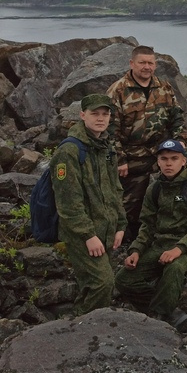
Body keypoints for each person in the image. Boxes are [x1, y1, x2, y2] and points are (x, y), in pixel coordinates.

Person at [115, 140, 187, 327]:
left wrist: (179, 249)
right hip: (162, 243)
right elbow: (147, 225)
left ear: (183, 161)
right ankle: (169, 311)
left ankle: (160, 318)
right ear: (158, 162)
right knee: (124, 279)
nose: (169, 163)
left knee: (174, 269)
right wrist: (136, 250)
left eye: (174, 158)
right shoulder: (155, 188)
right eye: (164, 159)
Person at [51, 93, 127, 316]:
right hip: (82, 232)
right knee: (102, 283)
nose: (101, 118)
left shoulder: (106, 147)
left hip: (106, 228)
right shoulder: (69, 151)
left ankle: (87, 321)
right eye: (95, 114)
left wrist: (120, 225)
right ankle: (82, 326)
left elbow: (115, 190)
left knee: (100, 282)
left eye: (105, 114)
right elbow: (67, 203)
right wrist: (87, 235)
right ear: (83, 115)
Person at [107, 45, 186, 238]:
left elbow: (177, 117)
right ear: (132, 63)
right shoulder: (118, 90)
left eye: (150, 63)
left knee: (169, 194)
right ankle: (127, 238)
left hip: (160, 151)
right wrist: (120, 159)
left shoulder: (164, 88)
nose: (146, 67)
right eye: (142, 62)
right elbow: (110, 128)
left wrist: (180, 142)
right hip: (131, 155)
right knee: (132, 201)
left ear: (155, 65)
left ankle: (164, 232)